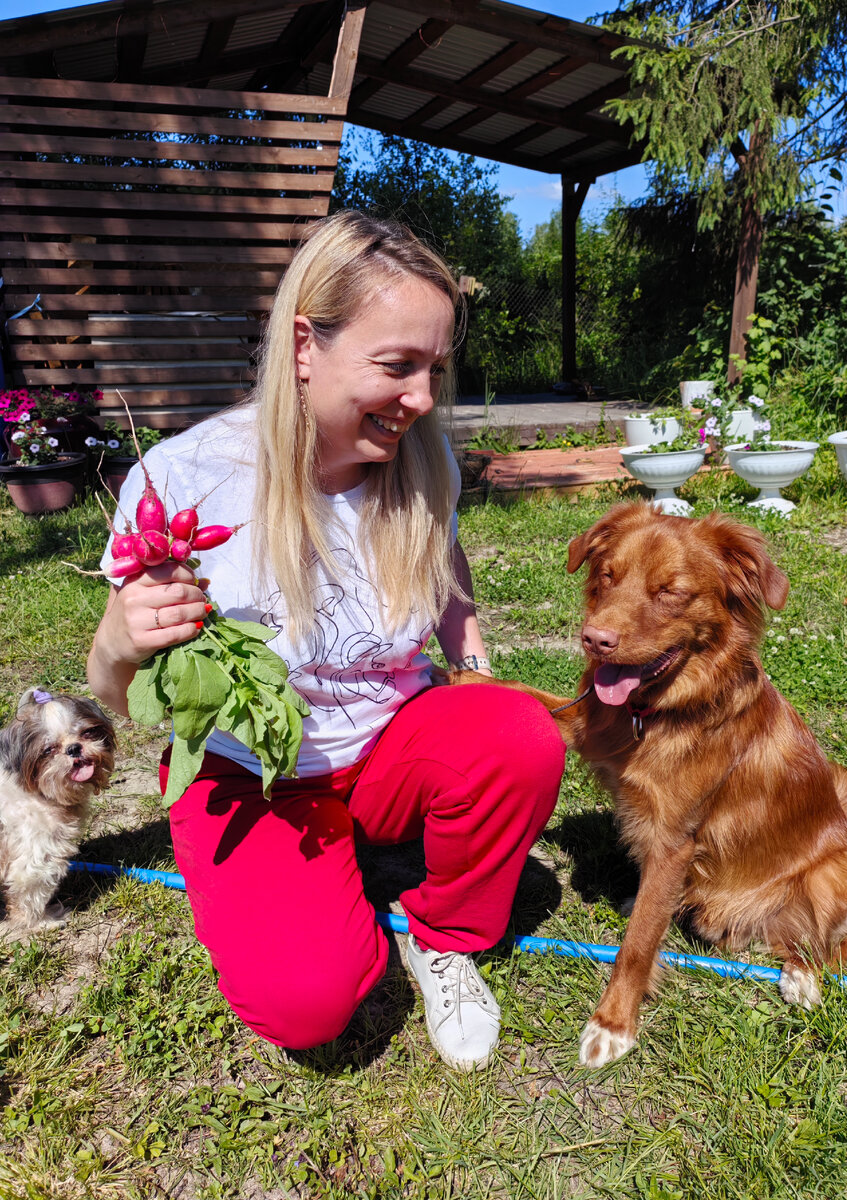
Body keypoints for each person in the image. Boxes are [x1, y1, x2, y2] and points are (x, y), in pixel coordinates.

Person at [87, 211, 566, 1072]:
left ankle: (442, 936)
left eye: (433, 368)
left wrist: (477, 670)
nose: (421, 398)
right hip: (255, 774)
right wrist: (121, 642)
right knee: (308, 1007)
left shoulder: (422, 463)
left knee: (517, 733)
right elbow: (123, 696)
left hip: (388, 753)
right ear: (305, 345)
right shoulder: (187, 479)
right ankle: (305, 887)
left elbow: (443, 562)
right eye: (397, 366)